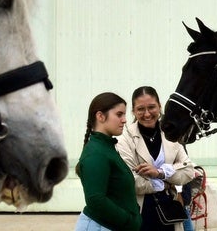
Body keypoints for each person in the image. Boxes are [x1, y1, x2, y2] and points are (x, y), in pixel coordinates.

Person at [117, 86, 196, 231]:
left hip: (170, 213)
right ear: (133, 111)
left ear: (160, 106)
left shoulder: (172, 134)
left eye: (152, 107)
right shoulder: (125, 139)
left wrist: (159, 172)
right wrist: (166, 183)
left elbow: (189, 171)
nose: (147, 114)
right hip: (140, 213)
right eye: (140, 109)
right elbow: (130, 181)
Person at [75, 92, 141, 231]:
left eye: (124, 115)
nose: (124, 120)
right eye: (119, 114)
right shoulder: (96, 153)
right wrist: (129, 220)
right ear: (100, 116)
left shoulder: (107, 147)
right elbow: (96, 200)